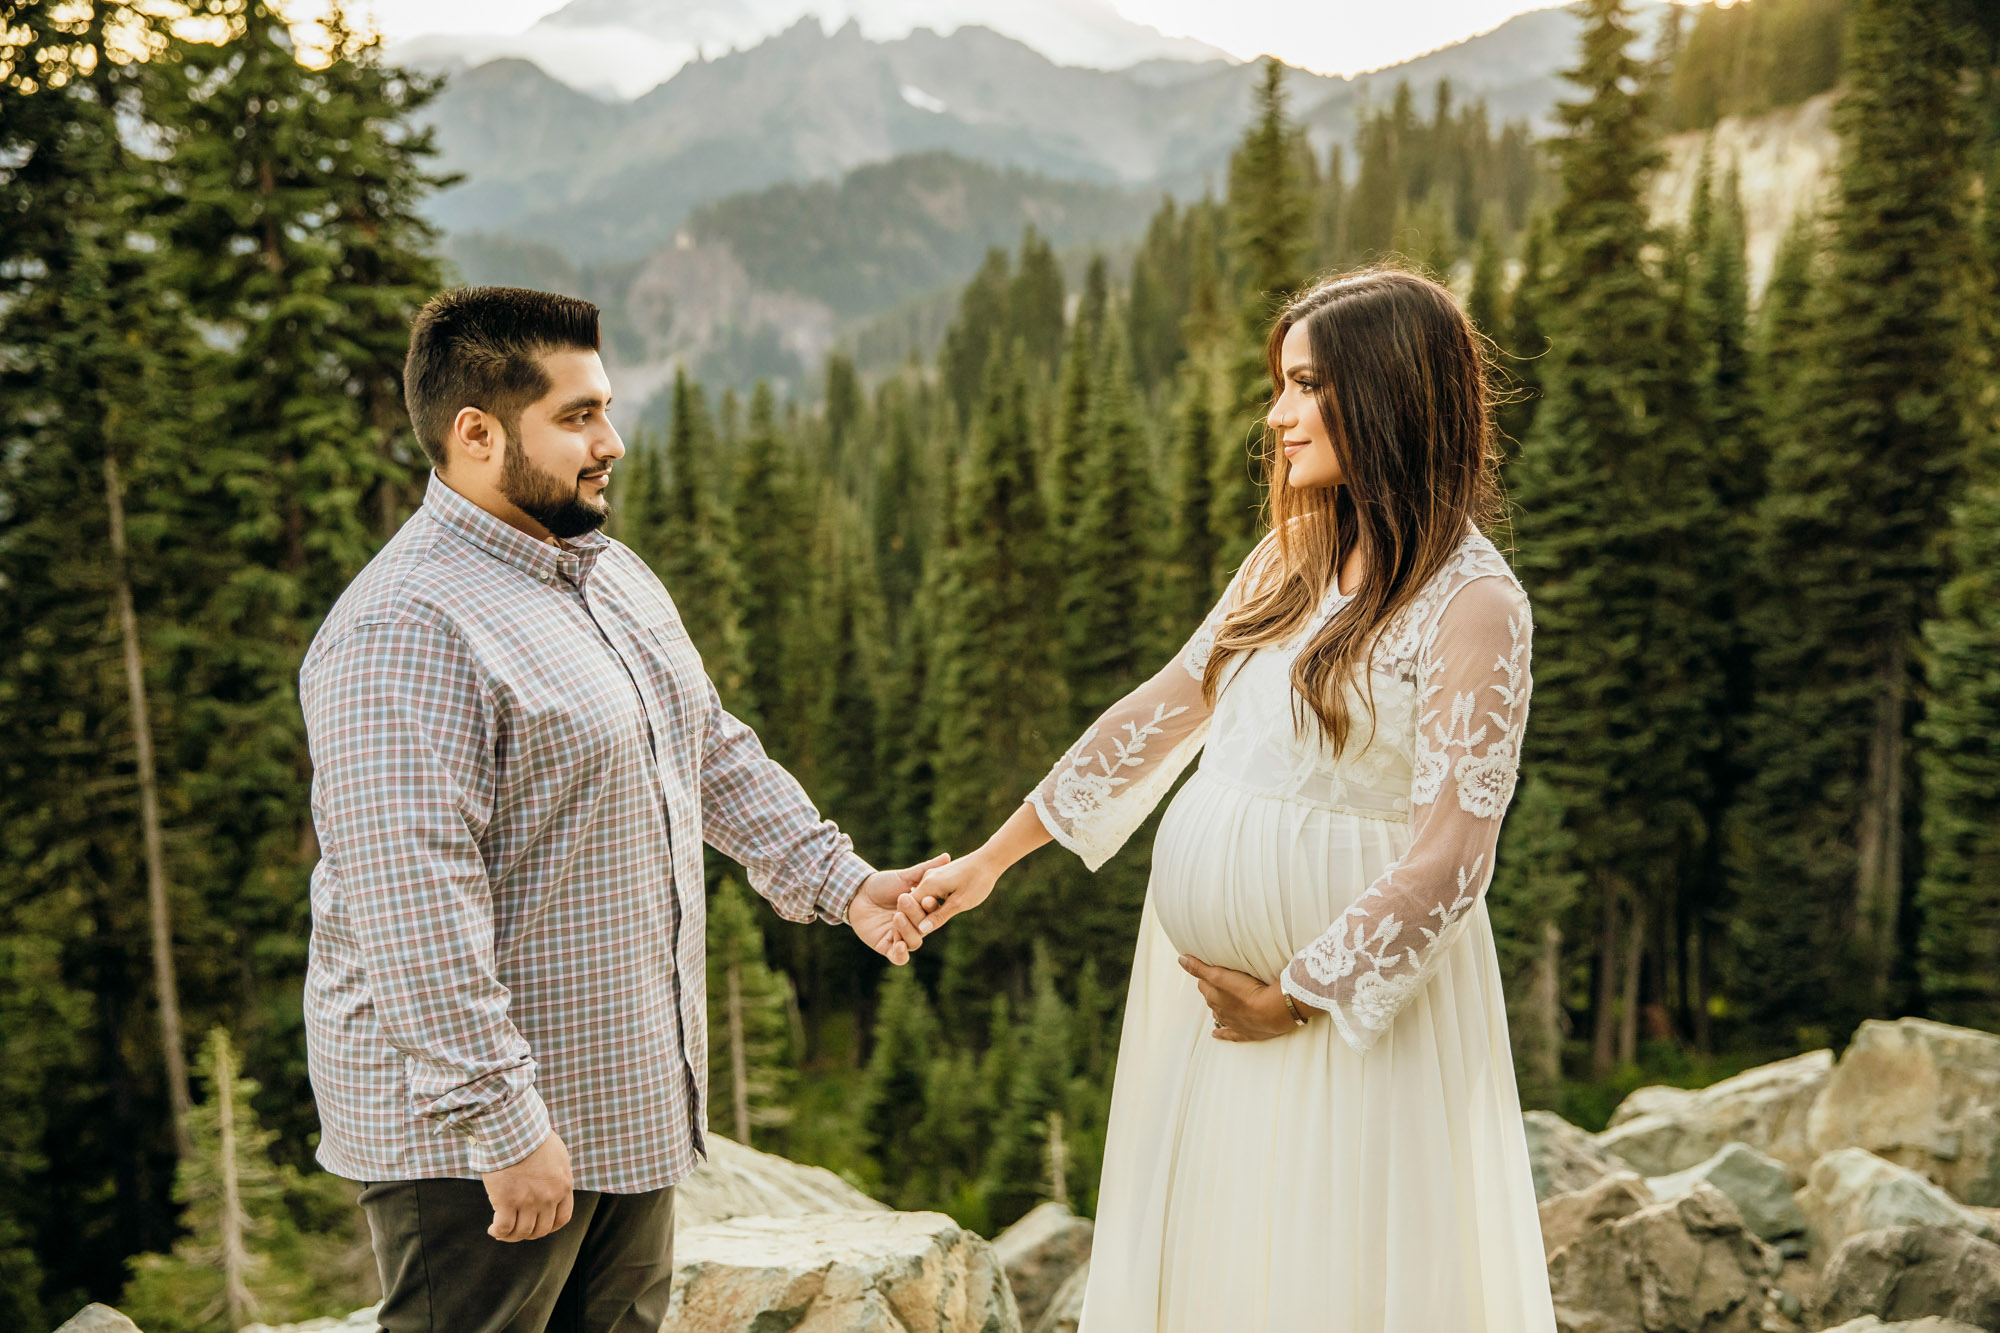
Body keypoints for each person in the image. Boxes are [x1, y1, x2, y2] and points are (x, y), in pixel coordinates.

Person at [907, 267, 1558, 1330]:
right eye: (1281, 384)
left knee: (1333, 1277)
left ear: (1386, 392)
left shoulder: (1475, 603)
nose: (1277, 415)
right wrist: (993, 857)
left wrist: (1296, 993)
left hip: (1350, 1024)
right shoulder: (1289, 557)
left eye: (1305, 386)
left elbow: (1450, 855)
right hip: (1209, 1019)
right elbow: (1163, 709)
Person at [298, 286, 941, 1333]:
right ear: (474, 434)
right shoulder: (401, 628)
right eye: (577, 416)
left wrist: (844, 884)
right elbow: (409, 904)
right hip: (478, 1150)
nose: (613, 442)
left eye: (606, 407)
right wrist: (503, 1124)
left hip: (621, 1099)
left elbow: (707, 749)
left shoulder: (603, 571)